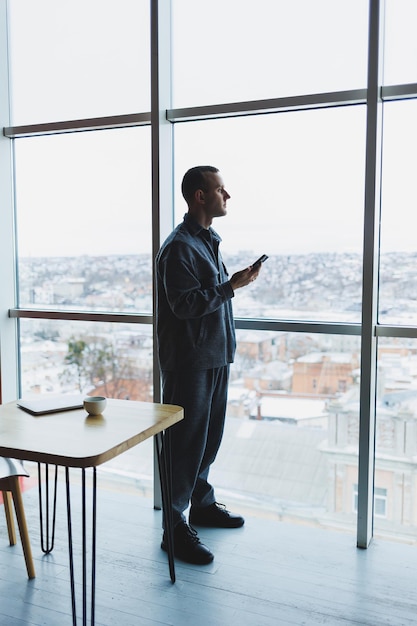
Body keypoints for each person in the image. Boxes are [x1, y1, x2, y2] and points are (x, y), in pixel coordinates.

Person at [156, 165, 262, 565]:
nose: (227, 195)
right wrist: (231, 286)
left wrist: (231, 286)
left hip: (213, 356)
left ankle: (200, 504)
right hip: (190, 362)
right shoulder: (180, 246)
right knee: (184, 445)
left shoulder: (206, 241)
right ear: (200, 196)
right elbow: (184, 305)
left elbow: (205, 300)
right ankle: (174, 529)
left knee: (208, 438)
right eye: (220, 189)